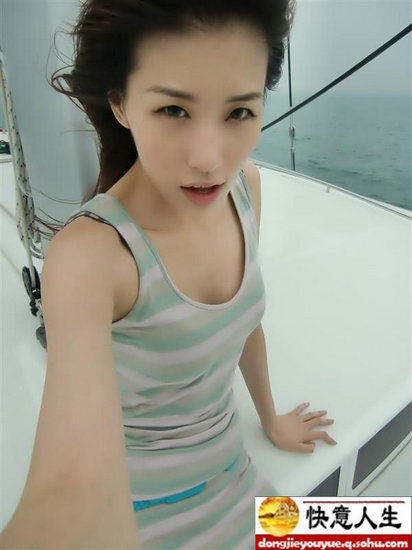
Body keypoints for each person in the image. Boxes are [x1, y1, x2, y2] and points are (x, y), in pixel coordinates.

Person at [0, 1, 337, 548]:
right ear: (120, 103)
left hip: (238, 477)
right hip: (148, 514)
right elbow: (71, 495)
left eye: (239, 112)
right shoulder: (91, 255)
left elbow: (243, 323)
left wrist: (271, 419)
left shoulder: (244, 189)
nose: (209, 160)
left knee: (391, 528)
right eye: (174, 110)